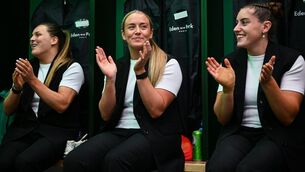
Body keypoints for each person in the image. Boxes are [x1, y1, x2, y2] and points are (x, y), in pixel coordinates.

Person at [63, 10, 184, 172]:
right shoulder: (116, 66)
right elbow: (105, 114)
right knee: (75, 160)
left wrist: (140, 71)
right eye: (131, 27)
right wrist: (111, 79)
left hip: (154, 135)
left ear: (151, 32)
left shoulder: (168, 64)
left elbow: (156, 109)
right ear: (123, 34)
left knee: (115, 161)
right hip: (119, 132)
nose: (137, 31)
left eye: (143, 27)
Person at [205, 3, 305, 172]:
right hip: (240, 133)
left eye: (244, 22)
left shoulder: (292, 59)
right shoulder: (230, 62)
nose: (236, 28)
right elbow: (222, 118)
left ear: (265, 27)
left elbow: (288, 116)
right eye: (236, 23)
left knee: (248, 169)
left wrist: (268, 84)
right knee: (217, 167)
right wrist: (228, 89)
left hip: (276, 135)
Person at [0, 22, 85, 172]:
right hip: (25, 130)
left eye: (38, 34)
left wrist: (32, 80)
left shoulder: (72, 67)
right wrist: (16, 88)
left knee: (24, 163)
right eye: (32, 35)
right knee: (4, 161)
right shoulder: (28, 67)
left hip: (56, 132)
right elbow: (7, 110)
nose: (32, 39)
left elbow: (62, 104)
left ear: (54, 40)